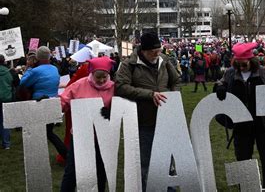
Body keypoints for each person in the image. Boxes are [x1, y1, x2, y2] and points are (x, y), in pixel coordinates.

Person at [115, 32, 180, 191]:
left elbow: (176, 80)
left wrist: (172, 98)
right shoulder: (129, 64)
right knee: (146, 162)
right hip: (143, 121)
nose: (157, 54)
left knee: (168, 160)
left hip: (165, 118)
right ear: (143, 50)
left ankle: (169, 189)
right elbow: (121, 87)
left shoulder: (164, 61)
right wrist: (149, 95)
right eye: (153, 51)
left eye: (159, 50)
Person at [214, 42, 265, 188]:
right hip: (241, 125)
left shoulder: (264, 72)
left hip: (263, 125)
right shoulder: (231, 73)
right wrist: (219, 87)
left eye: (244, 64)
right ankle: (246, 189)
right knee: (243, 161)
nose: (241, 68)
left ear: (252, 61)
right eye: (238, 64)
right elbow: (220, 82)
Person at [59, 56, 115, 192]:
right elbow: (63, 101)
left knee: (101, 171)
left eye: (104, 76)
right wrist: (47, 104)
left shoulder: (114, 87)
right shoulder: (79, 85)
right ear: (91, 73)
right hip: (80, 136)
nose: (101, 80)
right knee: (72, 171)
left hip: (102, 137)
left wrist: (112, 112)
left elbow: (123, 107)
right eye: (98, 77)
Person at [19, 46, 68, 160]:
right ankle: (63, 154)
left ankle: (65, 154)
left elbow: (23, 83)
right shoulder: (54, 69)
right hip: (53, 102)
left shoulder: (35, 71)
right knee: (47, 131)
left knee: (42, 132)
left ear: (37, 57)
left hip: (39, 103)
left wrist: (29, 68)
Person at [0, 54, 18, 149]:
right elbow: (15, 83)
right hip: (7, 98)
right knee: (5, 121)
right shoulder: (9, 72)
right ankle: (6, 143)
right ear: (4, 62)